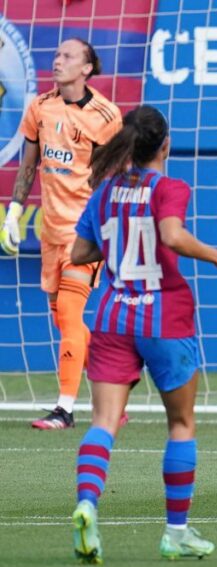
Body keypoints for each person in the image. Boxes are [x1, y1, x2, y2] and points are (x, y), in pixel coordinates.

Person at [68, 105, 217, 563]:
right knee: (180, 423)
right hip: (163, 317)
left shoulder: (104, 192)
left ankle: (87, 504)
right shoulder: (170, 187)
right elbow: (171, 234)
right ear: (165, 144)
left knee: (104, 422)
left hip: (110, 316)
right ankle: (176, 533)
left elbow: (79, 251)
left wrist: (116, 240)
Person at [1, 38, 125, 430]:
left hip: (85, 234)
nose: (57, 60)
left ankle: (65, 409)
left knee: (71, 314)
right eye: (56, 54)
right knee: (63, 321)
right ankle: (114, 397)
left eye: (68, 56)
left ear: (87, 68)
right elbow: (28, 166)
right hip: (51, 229)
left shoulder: (106, 115)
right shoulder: (41, 106)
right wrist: (14, 212)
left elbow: (116, 177)